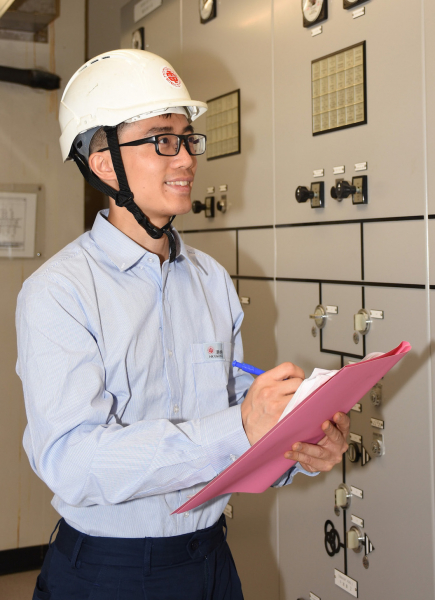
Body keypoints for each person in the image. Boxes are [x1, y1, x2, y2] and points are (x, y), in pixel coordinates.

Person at [16, 49, 350, 600]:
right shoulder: (59, 291)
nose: (188, 158)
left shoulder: (210, 278)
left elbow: (233, 405)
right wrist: (241, 426)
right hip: (110, 572)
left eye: (188, 139)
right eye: (162, 140)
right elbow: (71, 460)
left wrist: (299, 444)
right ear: (104, 164)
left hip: (210, 561)